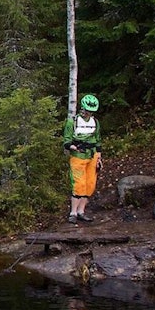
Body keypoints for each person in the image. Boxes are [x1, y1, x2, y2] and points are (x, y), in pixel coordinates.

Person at [63, 94, 102, 225]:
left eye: (91, 111)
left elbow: (98, 140)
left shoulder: (95, 122)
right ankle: (73, 213)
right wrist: (73, 147)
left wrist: (99, 156)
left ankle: (81, 211)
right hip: (78, 156)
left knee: (90, 184)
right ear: (82, 109)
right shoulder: (72, 122)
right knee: (79, 184)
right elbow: (67, 140)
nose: (88, 113)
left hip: (92, 155)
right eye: (87, 111)